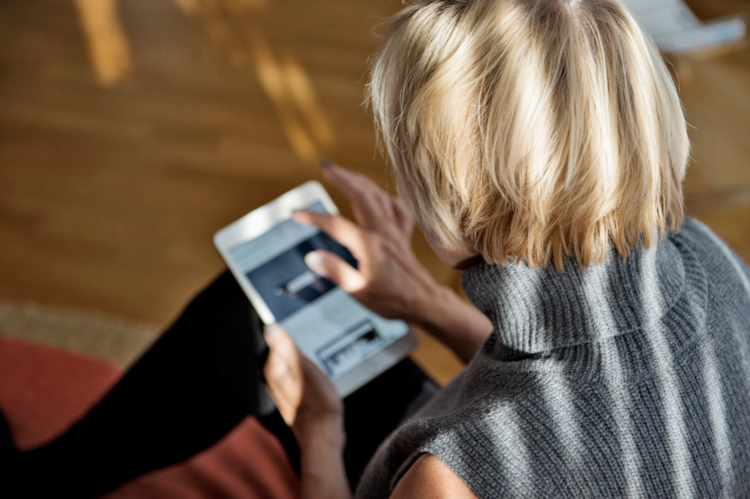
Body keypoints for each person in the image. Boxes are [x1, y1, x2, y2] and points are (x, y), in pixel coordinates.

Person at [3, 0, 750, 497]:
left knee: (263, 336)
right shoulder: (712, 260)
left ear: (453, 195)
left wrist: (317, 435)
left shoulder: (456, 475)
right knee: (262, 308)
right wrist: (419, 301)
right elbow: (586, 374)